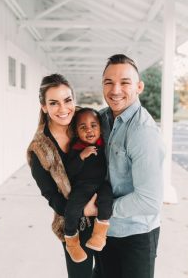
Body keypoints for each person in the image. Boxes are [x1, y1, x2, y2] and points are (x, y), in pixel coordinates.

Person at [93, 54, 165, 278]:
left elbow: (149, 201)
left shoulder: (143, 132)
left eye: (124, 82)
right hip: (105, 232)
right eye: (108, 82)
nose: (115, 90)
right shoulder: (101, 120)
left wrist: (99, 209)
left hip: (136, 236)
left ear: (139, 87)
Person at [27, 74, 99, 278]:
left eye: (67, 100)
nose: (63, 108)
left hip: (106, 211)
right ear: (44, 107)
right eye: (54, 103)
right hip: (74, 221)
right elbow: (51, 196)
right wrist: (84, 210)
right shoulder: (39, 149)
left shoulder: (87, 121)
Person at [64, 107, 113, 263]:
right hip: (82, 187)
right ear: (76, 132)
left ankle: (99, 235)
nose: (89, 130)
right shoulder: (76, 148)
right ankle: (71, 241)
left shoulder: (105, 145)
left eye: (94, 125)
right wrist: (81, 156)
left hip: (100, 184)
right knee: (71, 210)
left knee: (107, 199)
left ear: (100, 128)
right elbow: (69, 172)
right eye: (83, 127)